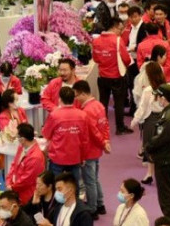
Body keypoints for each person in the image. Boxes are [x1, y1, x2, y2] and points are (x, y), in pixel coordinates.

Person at [145, 83, 170, 224]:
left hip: (165, 161)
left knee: (166, 198)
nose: (157, 99)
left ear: (163, 98)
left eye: (158, 96)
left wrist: (147, 148)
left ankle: (169, 222)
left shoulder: (168, 116)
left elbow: (160, 138)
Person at [73, 81, 110, 218]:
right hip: (97, 150)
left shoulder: (86, 112)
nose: (76, 99)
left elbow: (93, 132)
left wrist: (103, 143)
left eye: (77, 95)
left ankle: (92, 209)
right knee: (94, 178)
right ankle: (100, 204)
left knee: (89, 181)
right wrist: (106, 141)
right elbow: (105, 125)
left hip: (89, 150)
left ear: (83, 93)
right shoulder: (99, 105)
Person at [92, 17, 133, 135]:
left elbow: (95, 58)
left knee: (103, 102)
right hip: (117, 76)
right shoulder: (118, 40)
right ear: (114, 27)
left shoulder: (96, 40)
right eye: (120, 29)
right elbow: (126, 59)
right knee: (119, 103)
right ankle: (120, 128)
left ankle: (101, 127)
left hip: (102, 76)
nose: (121, 31)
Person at [41, 87, 90, 185]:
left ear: (60, 99)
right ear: (74, 99)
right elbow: (85, 139)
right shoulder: (82, 115)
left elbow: (46, 134)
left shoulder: (54, 115)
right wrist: (83, 157)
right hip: (75, 157)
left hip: (57, 157)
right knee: (74, 187)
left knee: (55, 186)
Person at [131, 61, 166, 185]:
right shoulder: (167, 87)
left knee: (150, 147)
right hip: (165, 119)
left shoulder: (148, 90)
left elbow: (142, 108)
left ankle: (150, 173)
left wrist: (134, 121)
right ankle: (159, 174)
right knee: (162, 147)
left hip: (151, 120)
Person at [6, 124, 45, 205]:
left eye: (17, 137)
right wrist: (8, 181)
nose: (16, 139)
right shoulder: (21, 147)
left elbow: (27, 180)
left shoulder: (36, 157)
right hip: (16, 189)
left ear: (23, 139)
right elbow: (14, 164)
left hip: (27, 194)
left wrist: (12, 187)